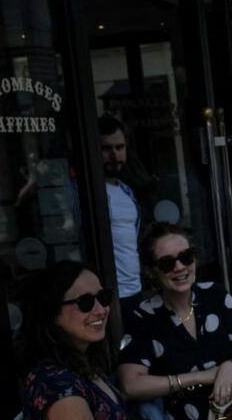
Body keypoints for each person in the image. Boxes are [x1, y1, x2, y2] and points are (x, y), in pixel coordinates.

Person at [118, 222, 232, 419]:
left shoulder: (215, 295)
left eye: (185, 257)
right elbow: (130, 386)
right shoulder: (144, 316)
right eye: (167, 263)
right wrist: (198, 377)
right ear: (152, 271)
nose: (179, 267)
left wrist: (229, 366)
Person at [20, 261, 127, 420]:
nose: (100, 310)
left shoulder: (83, 362)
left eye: (103, 297)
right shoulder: (58, 385)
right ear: (53, 314)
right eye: (85, 302)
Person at [99, 116, 141, 330]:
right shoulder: (85, 193)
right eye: (106, 148)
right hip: (106, 296)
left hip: (134, 291)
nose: (114, 155)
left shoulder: (126, 191)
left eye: (119, 147)